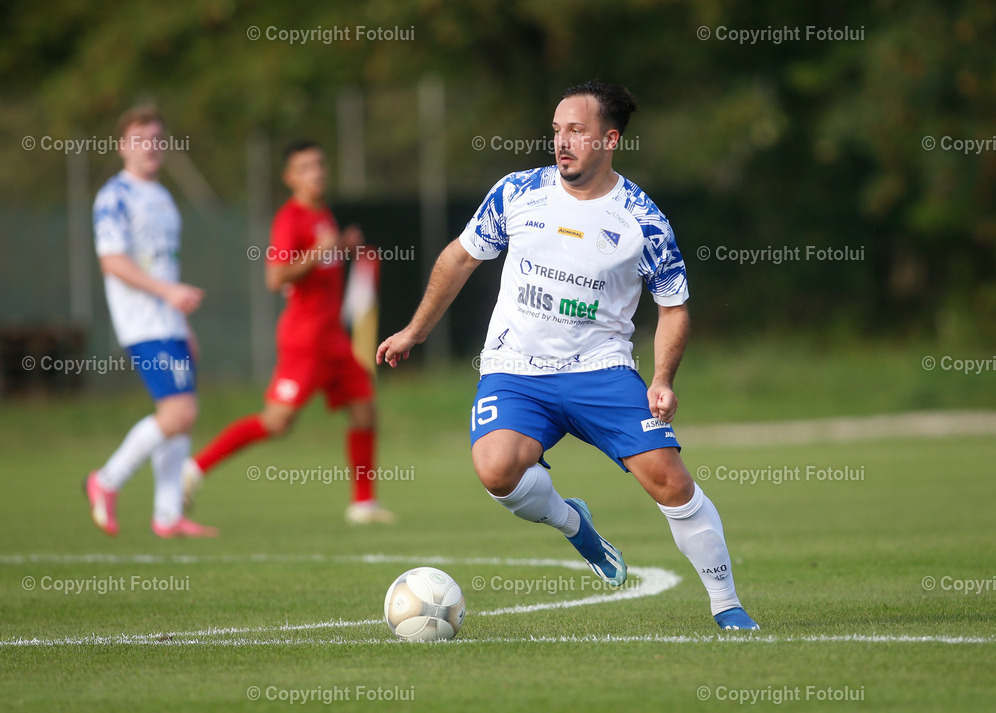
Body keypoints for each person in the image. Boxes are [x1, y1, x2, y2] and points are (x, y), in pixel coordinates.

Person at [378, 81, 759, 629]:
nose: (562, 142)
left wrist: (662, 378)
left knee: (670, 480)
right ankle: (574, 525)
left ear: (610, 139)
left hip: (600, 370)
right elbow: (460, 258)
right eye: (557, 131)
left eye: (577, 131)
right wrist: (415, 330)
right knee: (496, 469)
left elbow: (673, 307)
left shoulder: (641, 219)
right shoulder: (517, 192)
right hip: (515, 369)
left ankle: (728, 607)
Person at [181, 141, 393, 525]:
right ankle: (194, 467)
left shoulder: (323, 214)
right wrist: (318, 251)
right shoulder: (290, 218)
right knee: (277, 422)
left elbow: (319, 263)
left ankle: (363, 505)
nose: (317, 172)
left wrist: (341, 247)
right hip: (305, 338)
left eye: (320, 164)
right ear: (290, 177)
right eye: (307, 167)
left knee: (365, 412)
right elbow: (275, 277)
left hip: (333, 338)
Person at [85, 105, 217, 538]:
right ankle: (106, 481)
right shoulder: (114, 196)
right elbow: (112, 262)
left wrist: (184, 324)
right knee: (179, 412)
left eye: (158, 139)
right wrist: (168, 295)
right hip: (142, 322)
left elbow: (165, 272)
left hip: (169, 323)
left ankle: (167, 516)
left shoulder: (161, 197)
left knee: (180, 415)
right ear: (123, 147)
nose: (152, 147)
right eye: (141, 139)